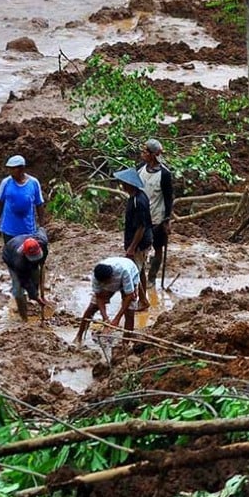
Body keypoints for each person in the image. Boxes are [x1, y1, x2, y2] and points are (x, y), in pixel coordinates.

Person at [75, 256, 141, 344]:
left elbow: (129, 295)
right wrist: (105, 318)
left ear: (111, 278)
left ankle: (125, 344)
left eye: (106, 283)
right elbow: (99, 297)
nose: (104, 284)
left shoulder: (125, 272)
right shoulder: (96, 276)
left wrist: (117, 318)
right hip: (112, 278)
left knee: (129, 313)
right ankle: (79, 336)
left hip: (131, 275)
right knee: (92, 308)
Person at [136, 139, 174, 287]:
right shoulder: (140, 169)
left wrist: (167, 219)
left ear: (153, 155)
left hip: (157, 218)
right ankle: (140, 277)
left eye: (145, 151)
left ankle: (152, 277)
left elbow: (168, 198)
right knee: (140, 248)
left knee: (158, 247)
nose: (142, 154)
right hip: (141, 217)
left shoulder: (164, 174)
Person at [114, 167, 153, 309]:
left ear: (129, 184)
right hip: (142, 241)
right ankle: (143, 299)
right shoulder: (138, 196)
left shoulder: (138, 201)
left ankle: (140, 300)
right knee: (139, 271)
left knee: (133, 272)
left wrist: (132, 248)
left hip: (139, 244)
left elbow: (141, 227)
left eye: (123, 183)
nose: (122, 185)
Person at [0, 155, 45, 244]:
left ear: (22, 168)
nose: (11, 172)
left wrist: (42, 227)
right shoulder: (6, 183)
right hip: (9, 230)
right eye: (10, 169)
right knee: (11, 250)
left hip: (28, 230)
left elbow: (39, 204)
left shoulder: (33, 183)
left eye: (13, 169)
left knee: (27, 250)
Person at [1, 230, 50, 319]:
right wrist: (35, 296)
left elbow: (42, 229)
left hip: (23, 244)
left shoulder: (42, 240)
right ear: (25, 253)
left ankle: (33, 297)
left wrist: (42, 261)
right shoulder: (18, 262)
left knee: (35, 276)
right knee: (18, 288)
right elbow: (25, 281)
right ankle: (23, 316)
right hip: (9, 256)